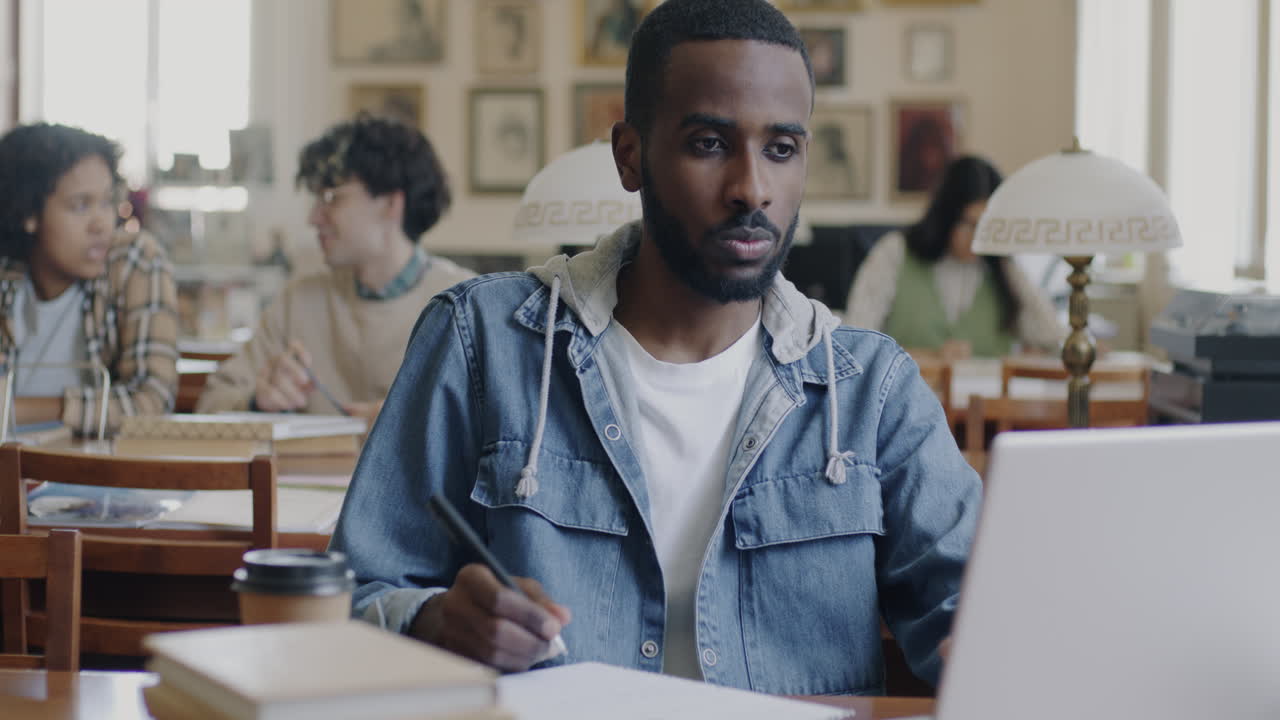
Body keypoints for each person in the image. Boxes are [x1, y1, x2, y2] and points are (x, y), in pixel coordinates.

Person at [331, 0, 980, 696]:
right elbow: (346, 600)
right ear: (630, 156)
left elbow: (978, 620)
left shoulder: (870, 391)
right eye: (708, 143)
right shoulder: (481, 342)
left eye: (781, 150)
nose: (751, 188)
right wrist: (431, 620)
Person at [196, 115, 474, 424]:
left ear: (391, 205)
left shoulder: (465, 306)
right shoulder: (298, 302)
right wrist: (256, 402)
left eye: (331, 198)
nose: (314, 218)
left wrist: (411, 429)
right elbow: (210, 406)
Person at [0, 123, 178, 434]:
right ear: (29, 214)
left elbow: (153, 403)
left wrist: (16, 409)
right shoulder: (7, 275)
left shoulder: (135, 261)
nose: (101, 224)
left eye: (107, 202)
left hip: (97, 474)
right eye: (80, 205)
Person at [847, 155, 1063, 360]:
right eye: (970, 224)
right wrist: (927, 357)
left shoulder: (1002, 268)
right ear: (946, 216)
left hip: (984, 396)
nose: (979, 238)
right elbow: (857, 341)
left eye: (988, 226)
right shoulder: (895, 252)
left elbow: (1052, 337)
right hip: (911, 395)